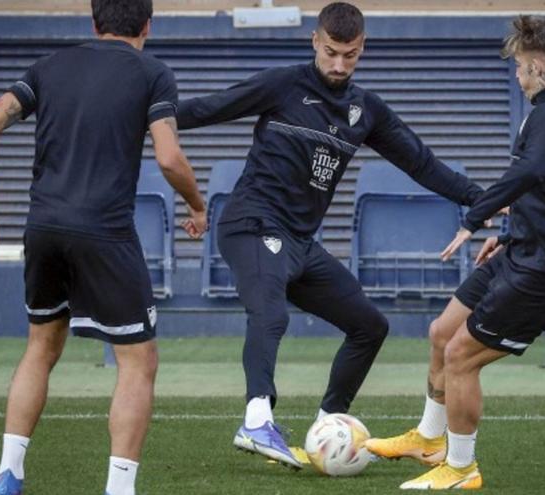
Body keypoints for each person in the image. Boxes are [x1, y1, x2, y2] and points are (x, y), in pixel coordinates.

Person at [176, 2, 483, 469]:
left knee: (369, 326)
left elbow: (422, 163)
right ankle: (256, 420)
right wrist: (136, 117)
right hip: (251, 223)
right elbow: (205, 109)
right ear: (315, 42)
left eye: (351, 55)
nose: (339, 65)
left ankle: (327, 428)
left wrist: (485, 199)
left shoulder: (366, 111)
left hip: (299, 242)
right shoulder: (282, 85)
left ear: (362, 50)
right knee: (270, 312)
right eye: (332, 52)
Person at [0, 1, 207, 494]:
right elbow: (169, 156)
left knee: (40, 347)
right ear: (147, 26)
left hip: (44, 228)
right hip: (105, 233)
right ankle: (119, 490)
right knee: (138, 363)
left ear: (94, 24)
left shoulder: (50, 67)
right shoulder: (153, 73)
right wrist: (197, 205)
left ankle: (8, 476)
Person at [365, 15, 545, 490]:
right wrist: (509, 231)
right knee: (441, 332)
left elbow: (531, 172)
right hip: (522, 251)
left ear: (536, 67)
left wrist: (475, 219)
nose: (516, 76)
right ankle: (429, 440)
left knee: (460, 356)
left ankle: (462, 467)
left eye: (518, 67)